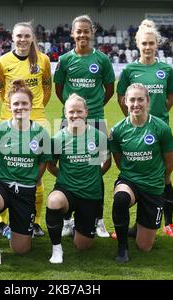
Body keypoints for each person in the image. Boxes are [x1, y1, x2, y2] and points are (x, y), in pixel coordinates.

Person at [115, 19, 173, 239]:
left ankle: (169, 223)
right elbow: (121, 97)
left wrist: (155, 119)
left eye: (152, 43)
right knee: (136, 175)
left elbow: (170, 97)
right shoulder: (130, 69)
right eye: (144, 43)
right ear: (138, 44)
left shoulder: (165, 70)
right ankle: (136, 225)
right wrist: (134, 121)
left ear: (157, 44)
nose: (148, 47)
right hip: (136, 129)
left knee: (164, 176)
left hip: (160, 130)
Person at [54, 14, 115, 238]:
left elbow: (109, 88)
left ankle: (98, 220)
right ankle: (68, 220)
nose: (82, 35)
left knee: (97, 171)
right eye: (78, 31)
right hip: (69, 120)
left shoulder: (102, 60)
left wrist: (93, 108)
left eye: (86, 31)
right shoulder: (65, 60)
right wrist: (73, 111)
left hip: (96, 120)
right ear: (72, 33)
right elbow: (60, 89)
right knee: (68, 167)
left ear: (92, 33)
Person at [0, 80, 51, 263]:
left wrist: (35, 178)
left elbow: (43, 161)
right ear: (9, 106)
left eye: (24, 103)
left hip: (26, 190)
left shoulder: (41, 133)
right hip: (2, 185)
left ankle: (15, 226)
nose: (20, 107)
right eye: (16, 104)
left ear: (31, 105)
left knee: (21, 250)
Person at [0, 21, 52, 238]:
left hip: (37, 119)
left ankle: (35, 222)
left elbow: (47, 89)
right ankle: (2, 221)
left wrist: (35, 109)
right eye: (19, 36)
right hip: (8, 118)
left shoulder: (43, 60)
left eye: (26, 36)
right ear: (12, 37)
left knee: (36, 174)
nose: (23, 39)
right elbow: (2, 91)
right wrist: (14, 110)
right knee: (5, 169)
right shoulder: (2, 62)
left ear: (32, 38)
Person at [109, 83, 173, 263]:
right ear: (125, 101)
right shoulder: (117, 130)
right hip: (129, 181)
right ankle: (122, 247)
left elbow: (170, 163)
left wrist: (158, 181)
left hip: (153, 186)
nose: (136, 104)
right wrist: (131, 175)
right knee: (121, 199)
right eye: (132, 99)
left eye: (140, 99)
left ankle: (139, 227)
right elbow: (119, 161)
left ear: (148, 101)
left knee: (144, 247)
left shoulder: (161, 128)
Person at [46, 94, 111, 264]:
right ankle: (56, 249)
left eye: (79, 111)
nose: (75, 115)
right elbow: (51, 166)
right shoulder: (57, 138)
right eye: (71, 112)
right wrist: (67, 178)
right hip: (66, 190)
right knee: (53, 201)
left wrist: (93, 176)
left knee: (83, 246)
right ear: (65, 113)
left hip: (90, 194)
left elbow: (106, 162)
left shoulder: (99, 136)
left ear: (86, 112)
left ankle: (77, 225)